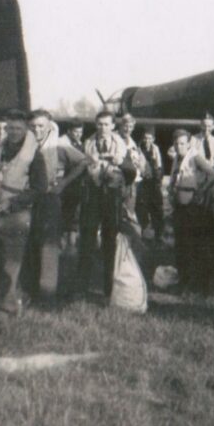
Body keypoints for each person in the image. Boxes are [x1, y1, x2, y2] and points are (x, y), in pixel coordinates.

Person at [0, 109, 47, 314]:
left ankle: (8, 308)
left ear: (25, 129)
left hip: (18, 212)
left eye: (18, 128)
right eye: (10, 128)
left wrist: (13, 203)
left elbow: (39, 188)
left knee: (12, 262)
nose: (14, 132)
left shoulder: (34, 154)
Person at [25, 110, 89, 301]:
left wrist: (64, 183)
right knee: (29, 243)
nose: (37, 130)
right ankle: (30, 290)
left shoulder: (59, 145)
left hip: (49, 198)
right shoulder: (24, 144)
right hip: (28, 198)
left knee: (49, 245)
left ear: (49, 126)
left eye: (41, 126)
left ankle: (47, 292)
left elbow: (83, 161)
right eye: (33, 126)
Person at [79, 110, 133, 298]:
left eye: (106, 124)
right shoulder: (88, 143)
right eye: (99, 124)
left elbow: (131, 172)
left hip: (112, 197)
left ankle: (109, 287)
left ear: (113, 126)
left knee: (111, 241)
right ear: (96, 125)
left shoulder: (122, 144)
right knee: (87, 239)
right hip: (93, 196)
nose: (103, 128)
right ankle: (82, 285)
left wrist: (120, 169)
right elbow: (84, 166)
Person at [169, 129, 214, 294]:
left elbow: (213, 174)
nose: (179, 146)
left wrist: (202, 190)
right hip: (179, 205)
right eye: (176, 143)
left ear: (189, 143)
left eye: (182, 143)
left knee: (192, 246)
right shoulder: (177, 158)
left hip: (192, 206)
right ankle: (183, 282)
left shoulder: (194, 156)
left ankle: (194, 284)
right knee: (180, 245)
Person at [135, 126, 166, 244]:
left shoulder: (155, 149)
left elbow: (159, 166)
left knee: (157, 209)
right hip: (142, 183)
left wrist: (158, 177)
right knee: (142, 208)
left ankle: (159, 235)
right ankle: (144, 233)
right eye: (145, 138)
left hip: (153, 184)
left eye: (149, 138)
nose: (147, 141)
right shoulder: (138, 149)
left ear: (153, 139)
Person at [59, 123, 86, 250]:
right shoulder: (64, 144)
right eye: (76, 132)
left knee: (75, 213)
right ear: (69, 131)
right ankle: (65, 243)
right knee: (66, 213)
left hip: (78, 184)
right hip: (66, 183)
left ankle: (72, 244)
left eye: (80, 132)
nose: (78, 134)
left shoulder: (80, 144)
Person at [117, 113, 148, 219]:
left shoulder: (132, 142)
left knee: (128, 212)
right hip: (117, 182)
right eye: (125, 126)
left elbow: (139, 157)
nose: (127, 129)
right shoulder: (114, 138)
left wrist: (141, 164)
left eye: (130, 127)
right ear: (120, 126)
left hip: (131, 183)